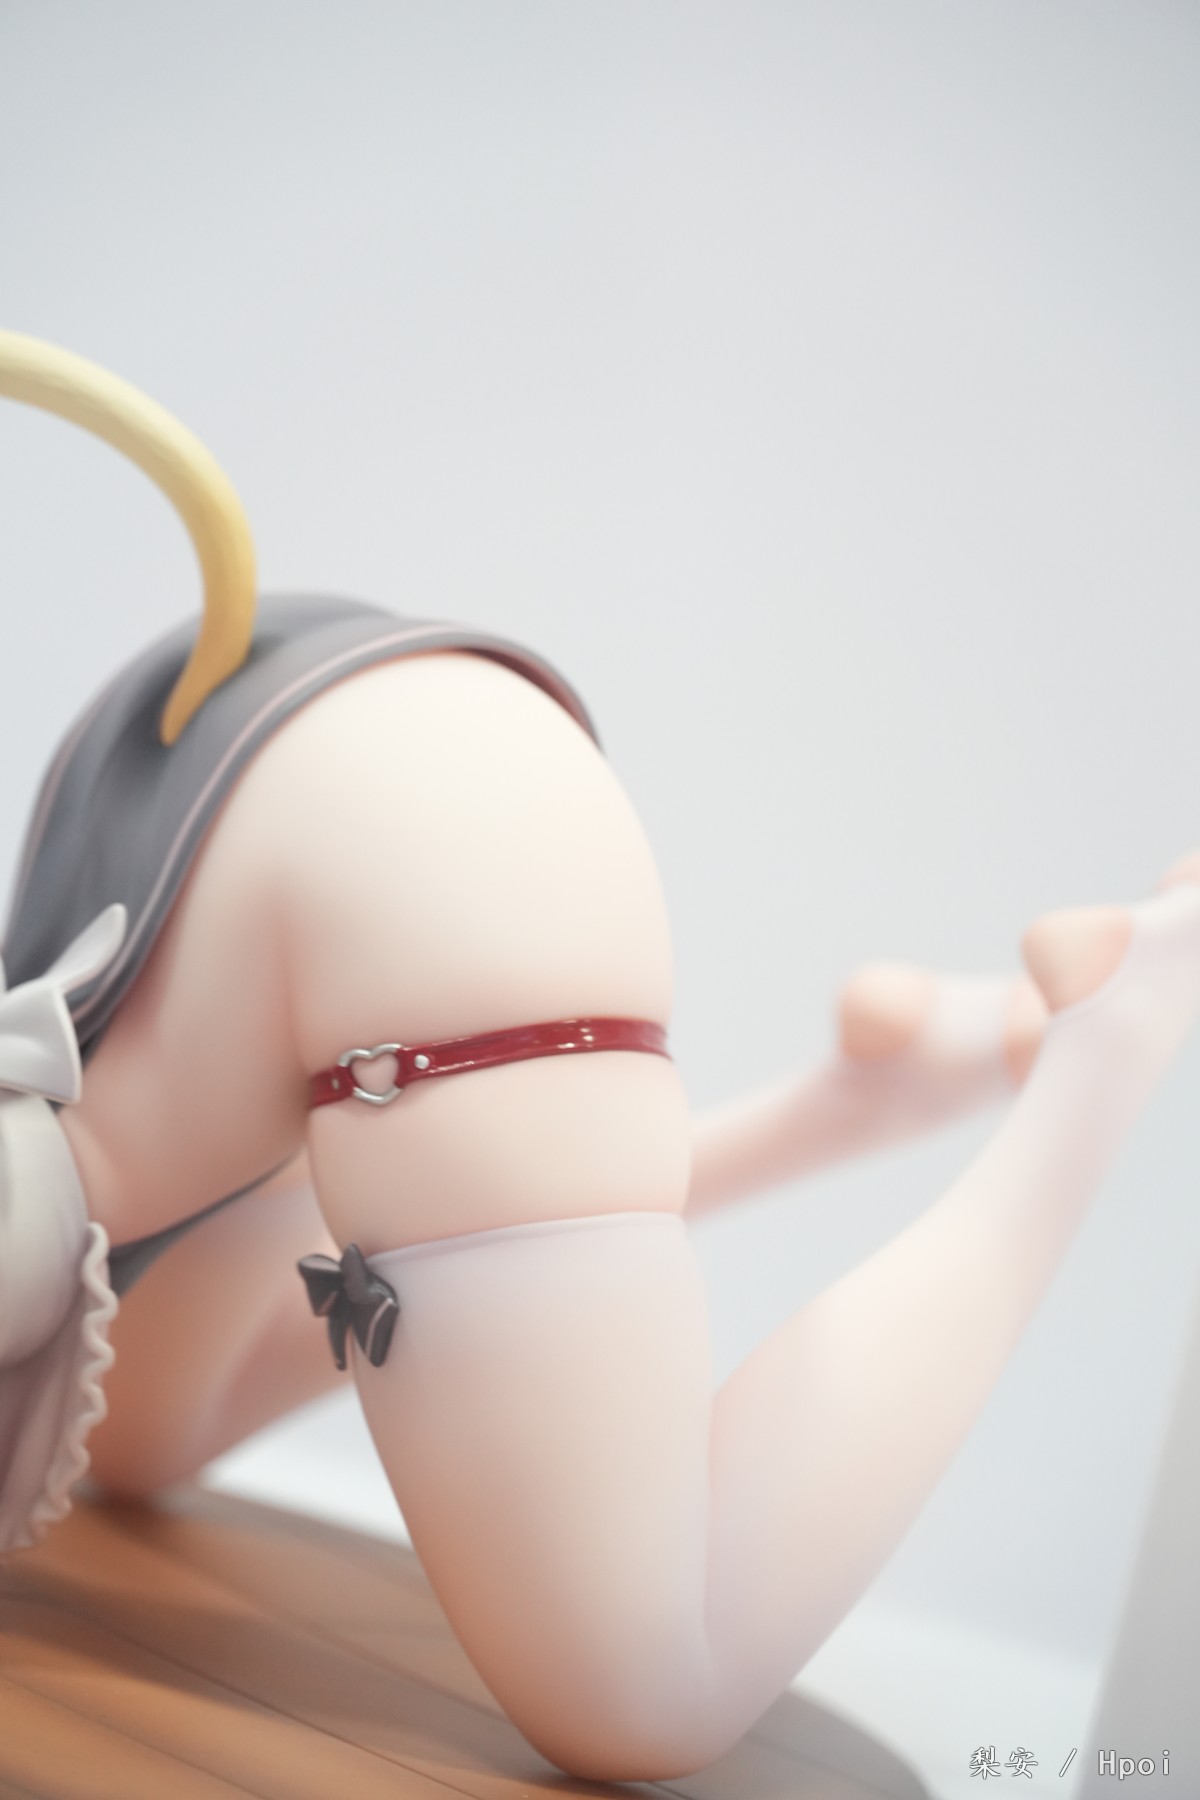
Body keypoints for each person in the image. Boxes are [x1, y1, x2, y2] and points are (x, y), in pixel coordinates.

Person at [2, 330, 1197, 1781]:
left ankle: (1107, 1041)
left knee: (650, 1685)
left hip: (350, 838)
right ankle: (852, 1100)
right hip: (284, 798)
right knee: (129, 1435)